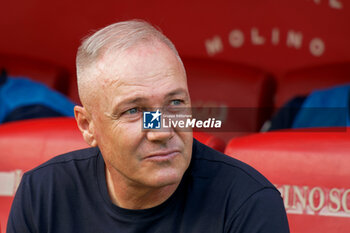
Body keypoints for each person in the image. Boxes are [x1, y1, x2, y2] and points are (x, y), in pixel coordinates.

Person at [7, 19, 289, 233]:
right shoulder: (43, 192)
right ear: (87, 125)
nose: (162, 131)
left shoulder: (247, 203)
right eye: (134, 110)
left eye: (175, 103)